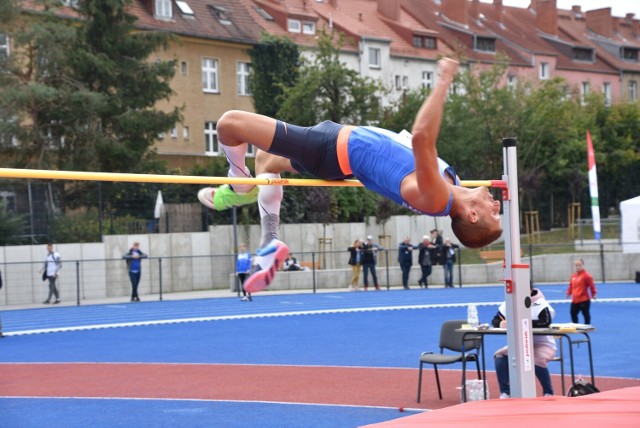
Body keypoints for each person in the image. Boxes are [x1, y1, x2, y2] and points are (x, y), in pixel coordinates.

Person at [197, 58, 502, 294]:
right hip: (336, 153)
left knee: (228, 124)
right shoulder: (455, 185)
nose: (498, 205)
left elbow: (422, 136)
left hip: (329, 149)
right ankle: (267, 241)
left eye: (495, 214)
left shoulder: (438, 197)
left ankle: (238, 183)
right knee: (265, 161)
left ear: (472, 215)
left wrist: (445, 80)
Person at [493, 287, 556, 398]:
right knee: (500, 356)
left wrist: (523, 322)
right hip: (520, 344)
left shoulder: (539, 303)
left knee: (535, 357)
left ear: (530, 290)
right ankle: (505, 392)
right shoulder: (510, 302)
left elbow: (546, 321)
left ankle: (548, 392)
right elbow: (496, 320)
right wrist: (501, 324)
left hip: (543, 344)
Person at [566, 258, 597, 324]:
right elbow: (571, 285)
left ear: (583, 265)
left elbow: (592, 285)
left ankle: (587, 326)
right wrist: (568, 292)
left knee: (585, 314)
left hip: (584, 300)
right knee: (572, 313)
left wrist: (593, 294)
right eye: (576, 265)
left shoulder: (587, 276)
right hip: (575, 300)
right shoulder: (573, 276)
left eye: (579, 265)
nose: (578, 267)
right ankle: (575, 326)